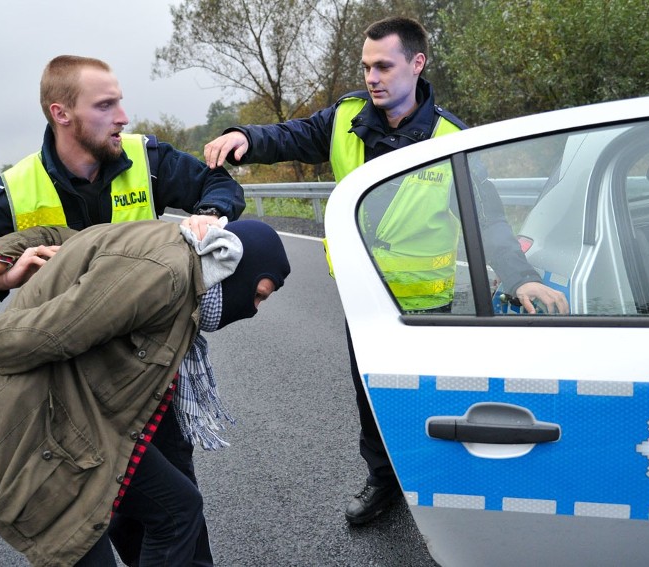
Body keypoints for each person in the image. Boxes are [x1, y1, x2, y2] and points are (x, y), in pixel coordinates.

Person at [204, 17, 569, 525]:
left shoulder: (449, 138)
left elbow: (487, 221)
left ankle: (443, 488)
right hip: (364, 300)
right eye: (366, 67)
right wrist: (244, 136)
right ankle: (383, 483)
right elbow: (289, 136)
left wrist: (520, 276)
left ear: (417, 65)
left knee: (434, 398)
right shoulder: (346, 118)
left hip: (428, 305)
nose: (372, 76)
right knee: (372, 396)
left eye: (383, 66)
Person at [0, 218, 291, 566]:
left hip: (80, 419)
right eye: (257, 295)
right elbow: (49, 334)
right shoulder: (165, 274)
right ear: (231, 262)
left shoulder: (172, 252)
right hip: (30, 428)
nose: (253, 310)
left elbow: (62, 238)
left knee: (178, 509)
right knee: (83, 537)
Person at [0, 54, 245, 311]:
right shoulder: (15, 189)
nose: (123, 117)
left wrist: (211, 213)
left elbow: (218, 184)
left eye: (119, 101)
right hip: (68, 351)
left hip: (147, 333)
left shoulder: (147, 157)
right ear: (61, 114)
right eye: (106, 105)